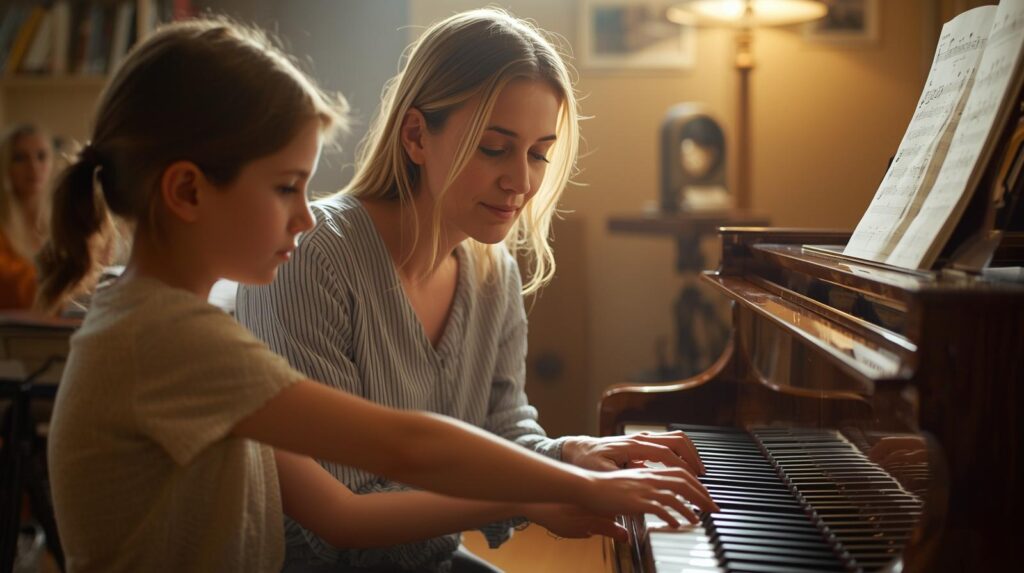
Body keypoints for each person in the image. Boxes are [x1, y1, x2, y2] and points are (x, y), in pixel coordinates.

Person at [37, 17, 715, 573]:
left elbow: (349, 506)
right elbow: (397, 456)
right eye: (284, 188)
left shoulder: (185, 332)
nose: (303, 218)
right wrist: (552, 487)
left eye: (539, 153)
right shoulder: (171, 339)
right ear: (186, 191)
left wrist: (564, 462)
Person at [237, 9, 712, 572]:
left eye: (538, 153)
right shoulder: (315, 256)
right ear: (416, 135)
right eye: (495, 148)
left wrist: (569, 454)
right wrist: (541, 494)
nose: (522, 181)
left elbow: (501, 430)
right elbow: (341, 522)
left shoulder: (494, 272)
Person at [0, 124, 53, 308]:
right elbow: (12, 287)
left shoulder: (58, 225)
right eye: (20, 158)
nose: (33, 166)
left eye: (41, 156)